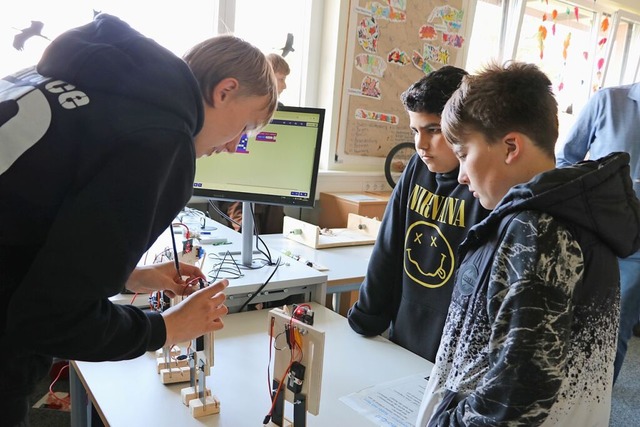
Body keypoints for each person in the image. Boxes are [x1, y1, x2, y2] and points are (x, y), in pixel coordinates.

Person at [0, 14, 278, 426]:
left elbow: (30, 218)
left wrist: (130, 275)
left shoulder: (70, 77)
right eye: (247, 127)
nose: (237, 146)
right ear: (225, 91)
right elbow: (49, 320)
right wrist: (165, 328)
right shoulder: (161, 140)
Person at [416, 61, 640, 426]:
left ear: (510, 147)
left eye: (463, 154)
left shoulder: (538, 235)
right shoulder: (563, 220)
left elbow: (514, 401)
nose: (460, 176)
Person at [347, 66, 490, 361]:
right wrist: (367, 316)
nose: (421, 145)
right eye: (415, 131)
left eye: (433, 131)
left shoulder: (484, 186)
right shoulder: (417, 166)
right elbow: (389, 245)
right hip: (405, 334)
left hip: (452, 349)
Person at [556, 81, 640, 383]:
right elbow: (566, 158)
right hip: (592, 234)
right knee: (564, 318)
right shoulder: (609, 101)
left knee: (613, 327)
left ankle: (594, 406)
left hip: (637, 252)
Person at [222, 53, 291, 234]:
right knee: (245, 228)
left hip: (271, 178)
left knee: (274, 230)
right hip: (242, 177)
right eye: (281, 79)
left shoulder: (281, 110)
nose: (284, 85)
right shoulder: (244, 106)